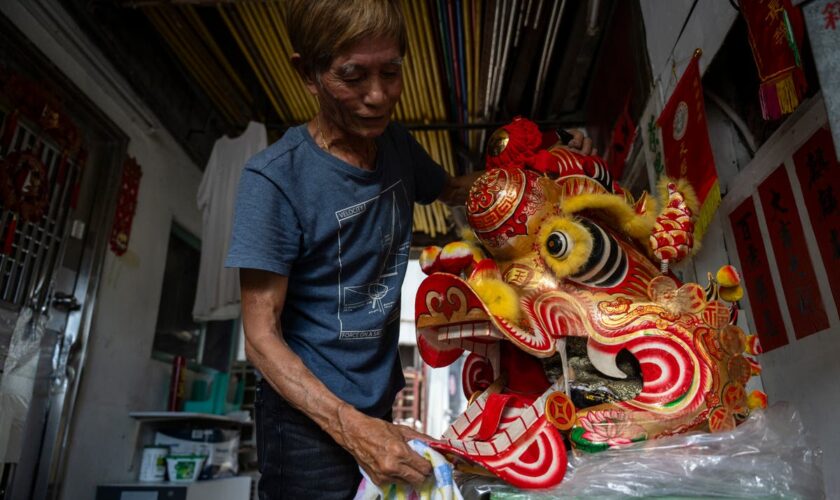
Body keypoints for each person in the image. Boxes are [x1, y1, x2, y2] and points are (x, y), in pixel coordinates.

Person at [225, 1, 592, 498]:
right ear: (308, 73)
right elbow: (260, 336)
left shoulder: (396, 145)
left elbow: (456, 189)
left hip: (377, 397)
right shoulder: (274, 180)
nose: (377, 96)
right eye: (352, 75)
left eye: (391, 72)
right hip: (305, 422)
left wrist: (544, 167)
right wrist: (351, 427)